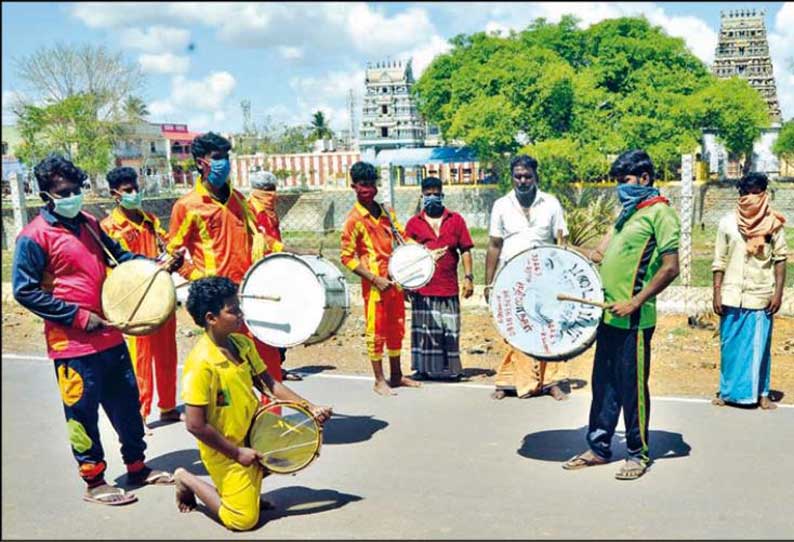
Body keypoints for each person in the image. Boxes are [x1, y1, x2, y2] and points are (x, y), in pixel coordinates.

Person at [12, 154, 178, 506]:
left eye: (77, 189)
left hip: (111, 335)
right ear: (46, 195)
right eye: (64, 191)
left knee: (128, 406)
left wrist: (155, 265)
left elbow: (118, 257)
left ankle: (138, 466)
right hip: (71, 345)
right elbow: (24, 292)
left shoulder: (88, 223)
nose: (73, 195)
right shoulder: (33, 237)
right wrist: (80, 318)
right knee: (82, 414)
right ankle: (95, 481)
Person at [174, 276, 332, 531]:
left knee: (301, 439)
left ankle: (247, 483)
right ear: (211, 318)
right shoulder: (201, 363)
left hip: (253, 431)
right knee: (243, 521)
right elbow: (195, 425)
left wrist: (310, 408)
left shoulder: (242, 344)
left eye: (239, 307)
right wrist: (237, 453)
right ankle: (187, 479)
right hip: (225, 447)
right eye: (233, 310)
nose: (240, 314)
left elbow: (270, 384)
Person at [563, 149, 680, 481]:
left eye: (624, 180)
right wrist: (564, 250)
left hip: (635, 320)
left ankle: (638, 452)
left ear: (644, 178)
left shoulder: (661, 214)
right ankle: (599, 448)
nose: (620, 188)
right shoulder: (626, 215)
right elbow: (598, 255)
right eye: (617, 181)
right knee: (603, 386)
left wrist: (635, 301)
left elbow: (671, 268)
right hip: (608, 316)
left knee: (632, 388)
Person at [167, 132, 284, 383]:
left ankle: (271, 420)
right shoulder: (187, 206)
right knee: (228, 372)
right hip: (217, 302)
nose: (224, 163)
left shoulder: (239, 200)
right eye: (217, 158)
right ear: (201, 162)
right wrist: (198, 278)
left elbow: (258, 237)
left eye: (226, 157)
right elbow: (173, 251)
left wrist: (285, 253)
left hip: (249, 293)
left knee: (268, 365)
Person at [100, 166, 183, 426]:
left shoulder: (149, 220)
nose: (134, 193)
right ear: (115, 194)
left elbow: (167, 245)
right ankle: (140, 413)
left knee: (167, 354)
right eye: (128, 190)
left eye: (136, 188)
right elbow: (115, 266)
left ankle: (168, 406)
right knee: (141, 359)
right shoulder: (109, 227)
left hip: (160, 293)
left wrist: (175, 258)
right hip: (135, 301)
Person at [484, 155, 571, 401]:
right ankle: (509, 381)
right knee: (513, 329)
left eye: (527, 176)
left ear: (536, 177)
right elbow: (493, 245)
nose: (522, 181)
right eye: (518, 176)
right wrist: (489, 282)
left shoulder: (551, 203)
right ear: (511, 177)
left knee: (546, 326)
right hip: (511, 279)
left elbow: (560, 242)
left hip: (544, 278)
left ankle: (551, 382)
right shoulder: (502, 205)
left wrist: (563, 278)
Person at [340, 161, 431, 395]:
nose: (368, 189)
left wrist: (423, 254)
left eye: (372, 184)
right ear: (354, 187)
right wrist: (374, 279)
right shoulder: (353, 220)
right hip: (375, 286)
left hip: (395, 281)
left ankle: (397, 375)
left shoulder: (386, 211)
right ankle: (379, 380)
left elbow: (401, 236)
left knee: (396, 327)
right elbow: (347, 258)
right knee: (375, 331)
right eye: (363, 185)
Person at [712, 172, 787, 410]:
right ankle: (726, 392)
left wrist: (778, 293)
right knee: (730, 346)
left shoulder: (773, 224)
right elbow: (719, 260)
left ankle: (761, 393)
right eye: (747, 193)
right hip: (732, 295)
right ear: (740, 195)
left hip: (760, 295)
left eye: (758, 193)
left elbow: (780, 259)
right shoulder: (727, 223)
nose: (752, 198)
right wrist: (716, 291)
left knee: (759, 347)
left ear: (765, 194)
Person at [404, 176, 474, 380]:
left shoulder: (455, 220)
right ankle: (423, 369)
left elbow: (466, 250)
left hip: (448, 287)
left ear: (442, 195)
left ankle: (451, 370)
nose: (432, 197)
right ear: (422, 196)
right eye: (428, 194)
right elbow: (406, 256)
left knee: (449, 329)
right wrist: (406, 285)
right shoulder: (413, 224)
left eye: (436, 193)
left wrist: (468, 277)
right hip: (423, 288)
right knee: (424, 332)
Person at [247, 169, 313, 382]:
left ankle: (276, 366)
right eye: (266, 191)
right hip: (259, 274)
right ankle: (260, 369)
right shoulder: (248, 211)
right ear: (255, 191)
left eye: (272, 190)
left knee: (282, 319)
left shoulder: (271, 212)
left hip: (277, 271)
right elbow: (263, 240)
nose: (271, 195)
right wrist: (289, 249)